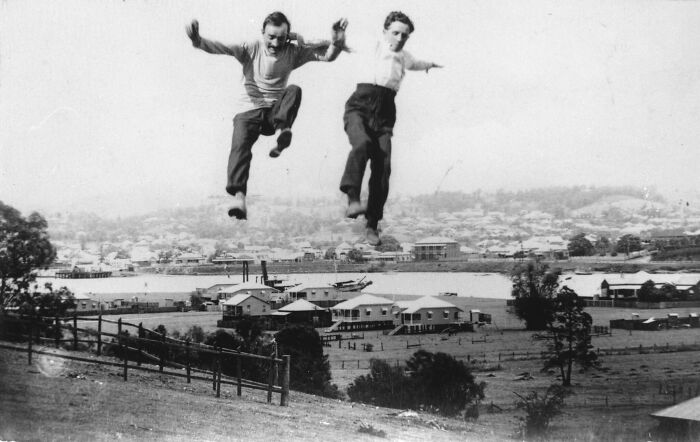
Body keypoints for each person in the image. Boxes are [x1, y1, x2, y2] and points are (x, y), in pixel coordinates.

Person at [186, 12, 348, 219]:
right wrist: (198, 41)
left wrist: (337, 41)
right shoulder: (251, 48)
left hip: (274, 114)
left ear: (288, 36)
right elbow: (221, 48)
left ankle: (283, 131)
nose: (275, 43)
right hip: (248, 110)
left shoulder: (292, 51)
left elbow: (328, 56)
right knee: (240, 147)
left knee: (294, 89)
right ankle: (239, 197)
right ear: (262, 33)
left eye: (281, 38)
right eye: (271, 37)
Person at [339, 11, 442, 245]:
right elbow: (343, 44)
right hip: (360, 107)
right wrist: (338, 36)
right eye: (395, 33)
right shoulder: (372, 45)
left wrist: (431, 65)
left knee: (383, 166)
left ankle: (372, 224)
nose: (399, 38)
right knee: (362, 144)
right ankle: (353, 197)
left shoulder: (405, 56)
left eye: (404, 35)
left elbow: (416, 64)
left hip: (385, 113)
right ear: (385, 31)